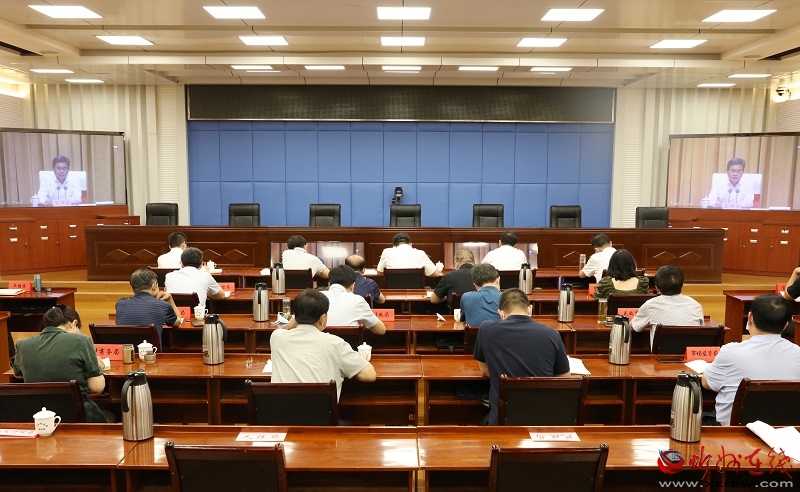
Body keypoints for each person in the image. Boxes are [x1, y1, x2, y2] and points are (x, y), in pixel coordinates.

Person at [473, 288, 571, 425]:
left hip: (502, 422)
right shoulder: (552, 334)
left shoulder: (486, 329)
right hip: (543, 422)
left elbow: (485, 371)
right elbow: (565, 378)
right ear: (530, 310)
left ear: (501, 313)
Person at [702, 294, 800, 426]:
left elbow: (707, 383)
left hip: (734, 433)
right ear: (786, 325)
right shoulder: (798, 353)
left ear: (750, 318)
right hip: (784, 432)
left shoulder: (730, 352)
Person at [270, 288, 377, 401]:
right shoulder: (335, 343)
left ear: (295, 316)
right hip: (319, 412)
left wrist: (297, 317)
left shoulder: (277, 337)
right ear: (323, 318)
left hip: (279, 412)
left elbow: (288, 328)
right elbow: (369, 375)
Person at [11, 306, 109, 422]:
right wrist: (96, 365)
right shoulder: (81, 341)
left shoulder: (23, 345)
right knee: (112, 414)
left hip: (39, 416)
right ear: (74, 324)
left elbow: (18, 374)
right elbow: (97, 387)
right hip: (77, 415)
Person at [631, 265, 704, 350]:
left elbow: (633, 326)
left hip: (660, 357)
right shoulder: (696, 306)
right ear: (683, 284)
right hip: (689, 357)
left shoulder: (650, 305)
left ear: (656, 287)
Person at [116, 268, 183, 346]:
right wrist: (170, 299)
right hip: (152, 352)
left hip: (126, 352)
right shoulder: (163, 305)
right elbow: (178, 322)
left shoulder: (120, 304)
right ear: (154, 286)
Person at [322, 265, 386, 335]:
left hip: (321, 342)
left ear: (329, 284)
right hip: (348, 342)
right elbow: (381, 330)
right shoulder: (358, 300)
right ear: (353, 285)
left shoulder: (316, 298)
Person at [377, 232, 443, 277]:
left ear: (393, 245)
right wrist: (438, 268)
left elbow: (380, 272)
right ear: (411, 244)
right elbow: (435, 274)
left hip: (392, 291)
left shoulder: (386, 252)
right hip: (416, 291)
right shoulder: (420, 253)